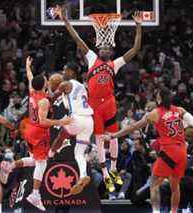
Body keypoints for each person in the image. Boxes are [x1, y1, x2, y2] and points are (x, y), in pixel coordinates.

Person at [54, 5, 142, 192]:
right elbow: (77, 39)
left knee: (114, 136)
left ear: (111, 50)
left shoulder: (115, 63)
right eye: (102, 46)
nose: (105, 48)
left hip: (109, 103)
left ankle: (113, 169)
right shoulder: (92, 57)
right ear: (98, 47)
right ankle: (105, 176)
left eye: (108, 47)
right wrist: (65, 20)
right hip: (94, 106)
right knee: (101, 139)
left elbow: (135, 49)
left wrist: (138, 26)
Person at [104, 87, 193, 213]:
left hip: (169, 151)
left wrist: (114, 135)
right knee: (175, 186)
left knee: (154, 185)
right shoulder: (179, 110)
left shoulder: (155, 113)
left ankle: (156, 212)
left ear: (159, 98)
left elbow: (134, 126)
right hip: (182, 151)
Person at [1, 57, 71, 211]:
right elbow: (44, 121)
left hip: (29, 131)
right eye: (46, 81)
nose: (47, 82)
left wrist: (28, 66)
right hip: (39, 133)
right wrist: (62, 122)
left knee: (34, 159)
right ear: (44, 85)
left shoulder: (32, 92)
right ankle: (35, 194)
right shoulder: (44, 101)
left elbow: (30, 77)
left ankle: (10, 165)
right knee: (42, 163)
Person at [48, 62, 94, 195]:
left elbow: (51, 97)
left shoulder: (65, 84)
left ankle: (49, 156)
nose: (63, 73)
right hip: (89, 121)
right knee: (79, 153)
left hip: (78, 119)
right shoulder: (82, 86)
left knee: (61, 136)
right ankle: (83, 175)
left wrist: (49, 85)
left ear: (72, 72)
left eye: (65, 70)